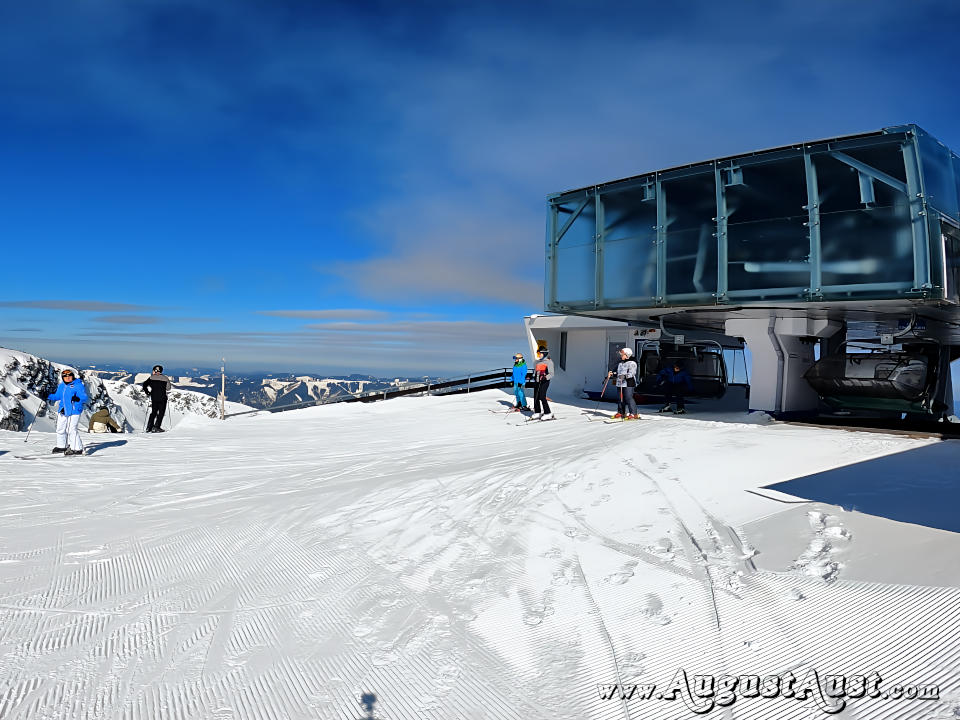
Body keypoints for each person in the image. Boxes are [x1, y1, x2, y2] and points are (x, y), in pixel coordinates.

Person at [47, 368, 88, 455]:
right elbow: (57, 396)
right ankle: (62, 446)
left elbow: (84, 398)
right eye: (65, 376)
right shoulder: (62, 386)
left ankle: (77, 448)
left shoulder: (78, 385)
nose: (68, 377)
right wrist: (48, 396)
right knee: (60, 429)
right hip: (63, 410)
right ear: (63, 377)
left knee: (71, 430)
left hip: (74, 410)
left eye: (70, 375)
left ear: (73, 376)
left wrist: (78, 399)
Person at [607, 347, 639, 420]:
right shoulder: (621, 363)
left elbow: (632, 373)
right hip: (620, 383)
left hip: (628, 383)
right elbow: (619, 373)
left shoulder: (632, 363)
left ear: (627, 355)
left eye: (622, 355)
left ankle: (633, 413)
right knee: (620, 398)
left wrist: (624, 376)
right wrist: (612, 374)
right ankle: (621, 412)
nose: (621, 356)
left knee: (628, 397)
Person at [142, 365, 172, 432]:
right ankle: (156, 427)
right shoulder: (165, 378)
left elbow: (144, 385)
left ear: (155, 371)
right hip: (163, 397)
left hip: (154, 397)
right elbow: (168, 388)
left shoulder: (151, 378)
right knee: (161, 413)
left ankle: (149, 427)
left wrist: (148, 392)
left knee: (153, 412)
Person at [531, 348, 554, 420]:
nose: (538, 355)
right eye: (538, 354)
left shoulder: (549, 362)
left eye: (539, 354)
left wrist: (545, 377)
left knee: (542, 396)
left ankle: (548, 413)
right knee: (536, 397)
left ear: (544, 354)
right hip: (537, 381)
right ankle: (538, 412)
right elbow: (536, 374)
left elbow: (552, 374)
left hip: (544, 382)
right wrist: (531, 377)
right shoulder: (538, 363)